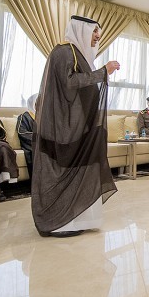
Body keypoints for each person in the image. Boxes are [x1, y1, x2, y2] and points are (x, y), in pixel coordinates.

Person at [31, 15, 120, 237]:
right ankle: (60, 222)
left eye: (99, 32)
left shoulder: (77, 53)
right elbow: (69, 83)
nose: (98, 36)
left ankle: (77, 219)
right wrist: (102, 72)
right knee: (63, 171)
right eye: (94, 31)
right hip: (64, 127)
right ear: (81, 30)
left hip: (79, 126)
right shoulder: (63, 51)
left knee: (85, 168)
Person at [17, 93, 38, 178]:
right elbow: (21, 132)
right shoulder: (24, 116)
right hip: (30, 143)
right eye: (37, 102)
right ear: (32, 103)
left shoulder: (45, 117)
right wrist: (39, 137)